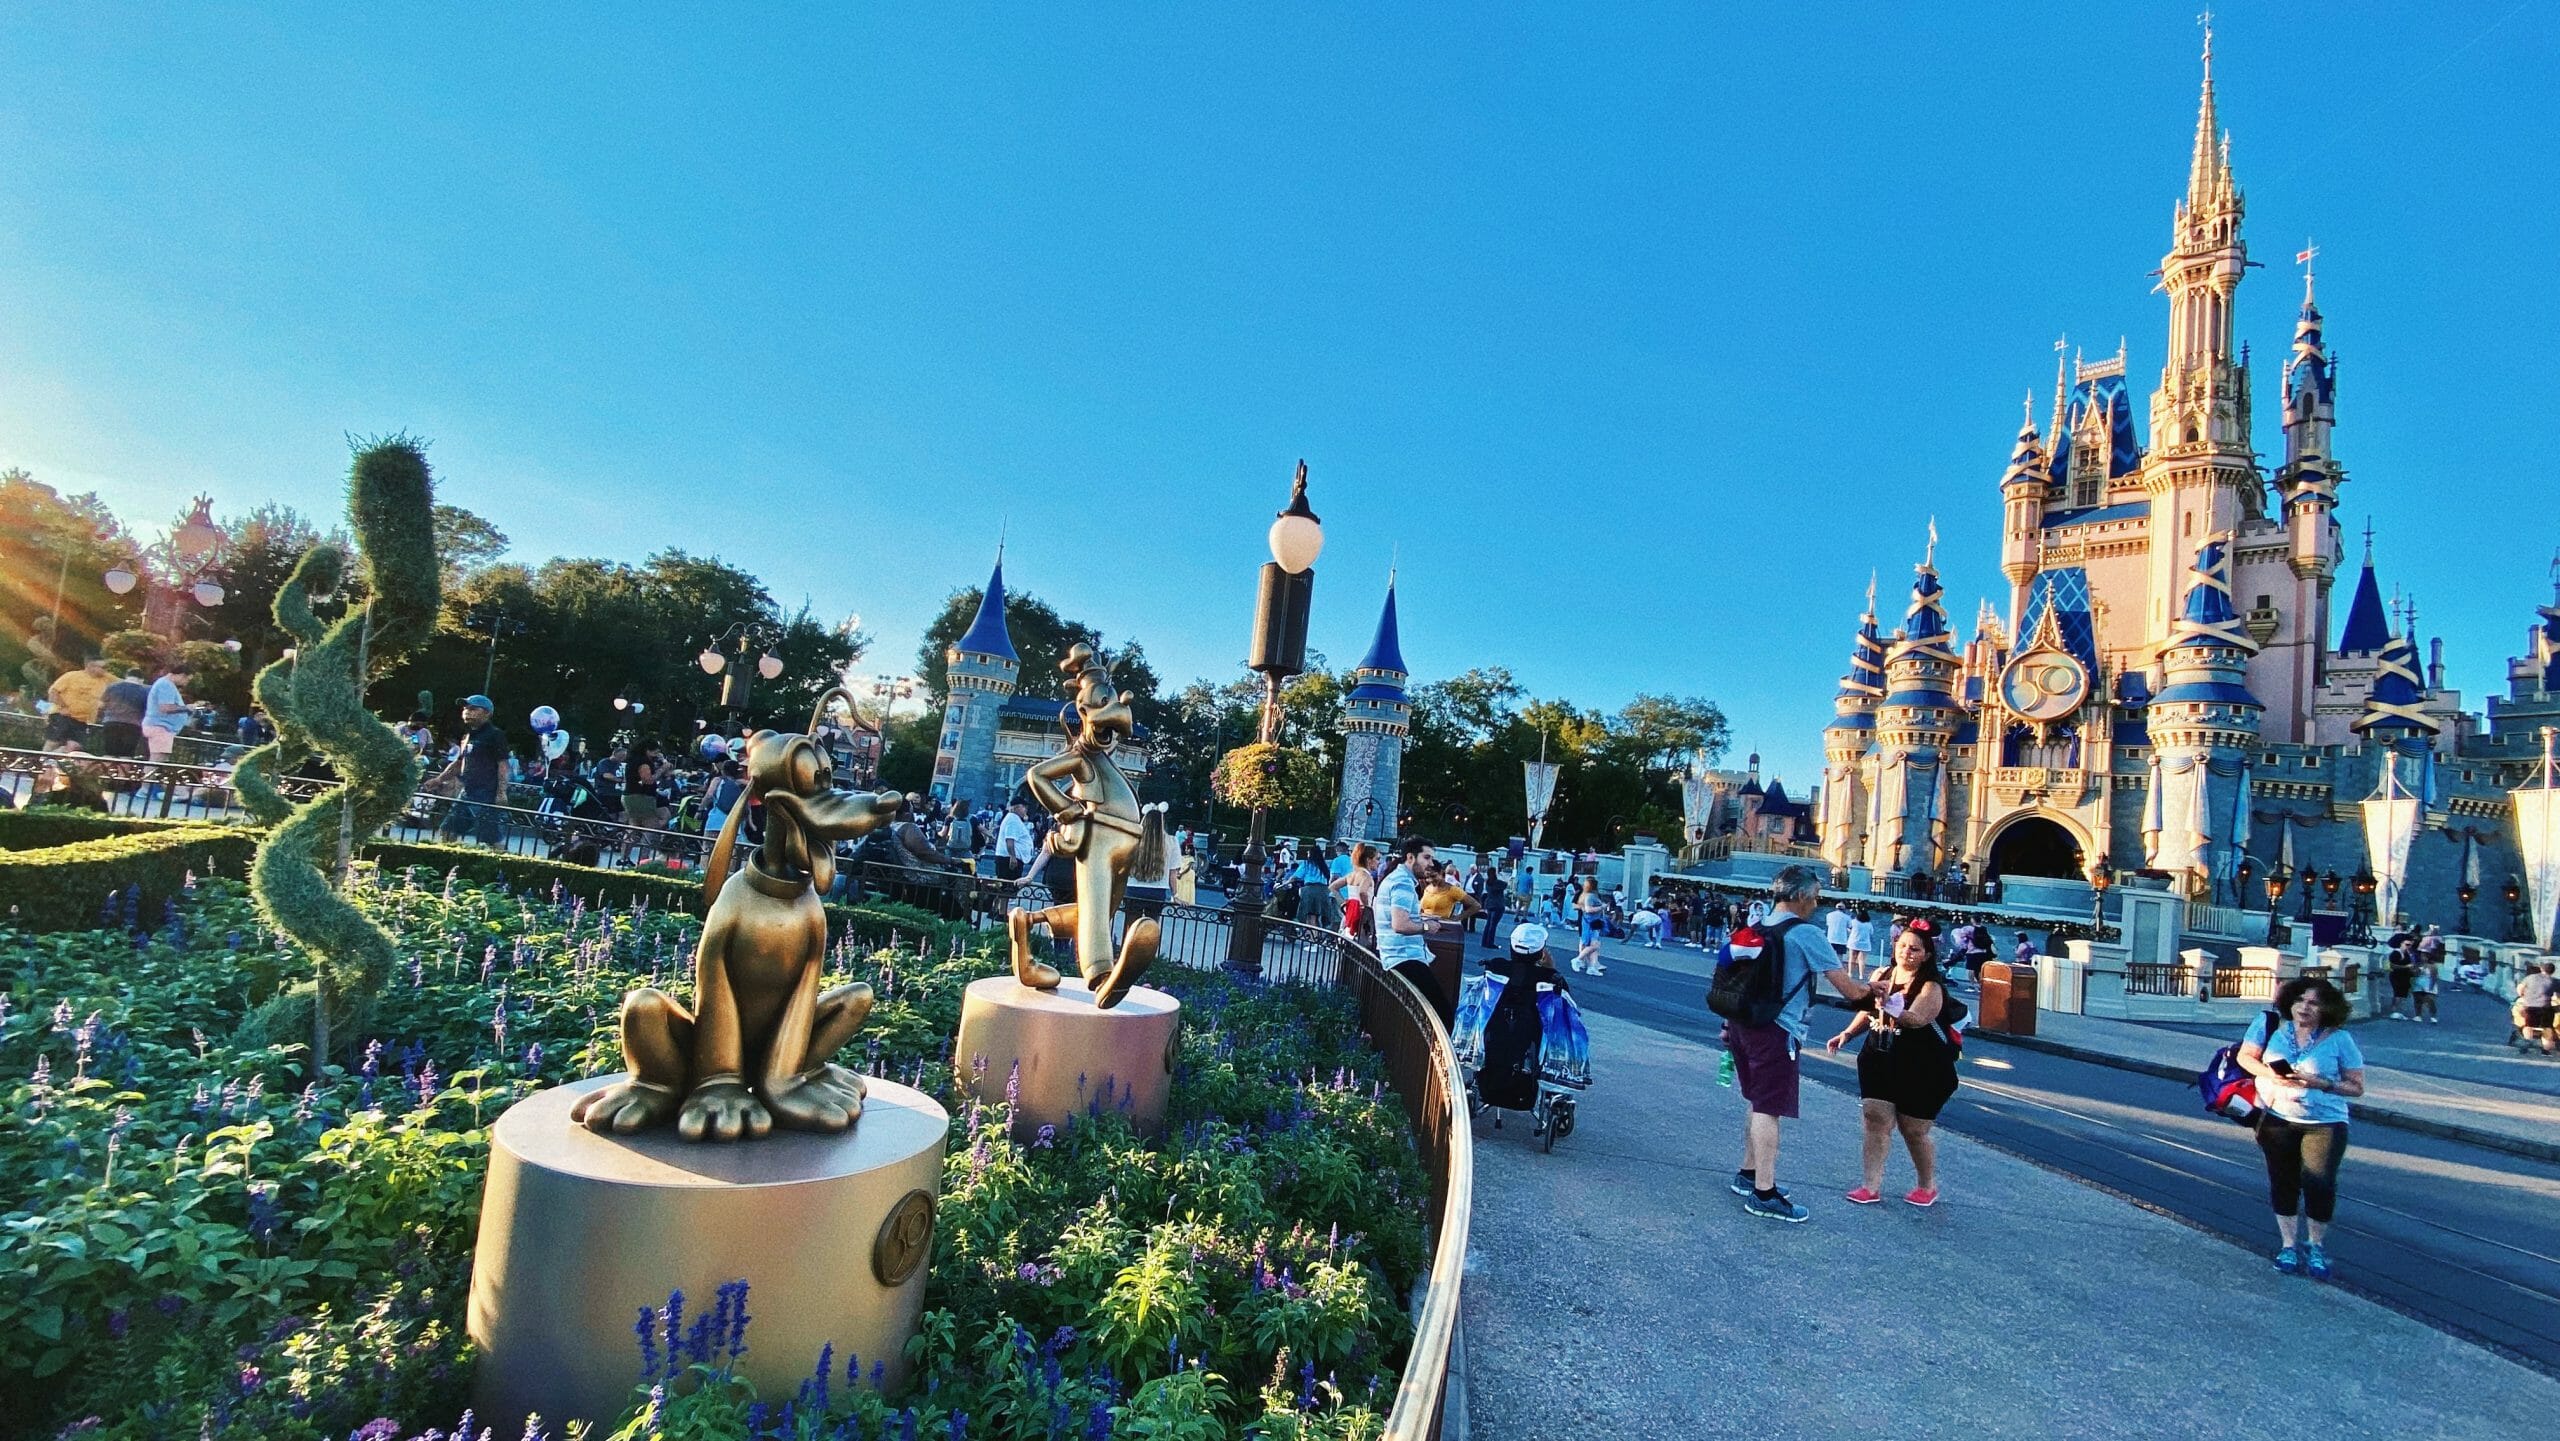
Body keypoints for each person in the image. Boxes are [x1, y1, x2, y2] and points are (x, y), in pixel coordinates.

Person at [1724, 865, 1875, 1224]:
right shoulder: (1805, 934)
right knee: (1769, 1109)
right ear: (1802, 897)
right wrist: (1874, 991)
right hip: (1777, 1028)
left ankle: (1748, 1174)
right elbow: (1849, 990)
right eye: (1816, 897)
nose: (1817, 903)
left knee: (1757, 1101)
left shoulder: (1755, 928)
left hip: (1743, 1023)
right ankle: (1764, 1192)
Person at [2236, 978, 2366, 1279]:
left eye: (2313, 1003)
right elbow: (2246, 1057)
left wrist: (2320, 1083)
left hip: (2325, 1123)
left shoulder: (2340, 1039)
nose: (2304, 1007)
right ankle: (2289, 1246)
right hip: (2277, 1118)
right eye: (2300, 1000)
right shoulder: (2273, 1028)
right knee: (2284, 1182)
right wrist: (2271, 1074)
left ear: (2326, 1009)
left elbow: (2357, 1087)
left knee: (2319, 1183)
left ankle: (2316, 1246)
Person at [1828, 918, 1959, 1207]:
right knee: (1875, 1119)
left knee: (1913, 1129)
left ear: (1926, 955)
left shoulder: (1931, 987)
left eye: (1914, 949)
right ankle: (1870, 1186)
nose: (1907, 952)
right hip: (1879, 1057)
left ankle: (1927, 1186)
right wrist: (1848, 1033)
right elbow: (1869, 1012)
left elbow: (1916, 1019)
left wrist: (1887, 1003)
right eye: (1902, 946)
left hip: (1923, 1067)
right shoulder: (1883, 973)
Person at [1376, 836, 1455, 1025]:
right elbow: (1400, 925)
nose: (1430, 864)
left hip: (1401, 956)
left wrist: (1423, 919)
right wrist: (1427, 927)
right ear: (1410, 858)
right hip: (1403, 958)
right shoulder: (1402, 882)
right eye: (1426, 858)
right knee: (1443, 1018)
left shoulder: (1400, 879)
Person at [428, 695, 509, 847]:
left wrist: (501, 792)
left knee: (492, 839)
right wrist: (439, 779)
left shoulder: (495, 735)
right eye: (465, 709)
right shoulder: (468, 735)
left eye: (473, 709)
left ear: (487, 713)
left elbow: (503, 765)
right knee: (447, 831)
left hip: (486, 795)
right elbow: (459, 763)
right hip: (467, 793)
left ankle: (503, 867)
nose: (467, 712)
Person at [43, 657, 110, 751]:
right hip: (62, 715)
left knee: (74, 747)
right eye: (103, 667)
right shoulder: (72, 676)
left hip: (82, 721)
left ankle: (54, 760)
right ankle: (43, 760)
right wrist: (63, 707)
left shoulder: (104, 681)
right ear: (91, 666)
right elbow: (53, 692)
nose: (106, 670)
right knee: (53, 742)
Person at [93, 668, 148, 759]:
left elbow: (101, 705)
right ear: (141, 679)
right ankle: (122, 773)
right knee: (126, 755)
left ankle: (107, 771)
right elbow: (146, 710)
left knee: (109, 752)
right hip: (132, 725)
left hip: (111, 722)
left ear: (127, 676)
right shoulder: (144, 691)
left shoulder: (112, 687)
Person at [2517, 963, 2558, 1057]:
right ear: (2553, 971)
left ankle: (2527, 1042)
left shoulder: (2530, 978)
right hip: (2545, 1007)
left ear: (2541, 969)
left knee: (2528, 1026)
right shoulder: (2555, 981)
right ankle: (2545, 1050)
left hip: (2530, 1006)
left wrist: (2523, 996)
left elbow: (2520, 988)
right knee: (2547, 1028)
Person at [1468, 860, 1510, 953]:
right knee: (1493, 925)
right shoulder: (1498, 882)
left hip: (1490, 904)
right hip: (1498, 904)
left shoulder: (1487, 882)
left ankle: (1484, 941)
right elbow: (1506, 884)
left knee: (1488, 924)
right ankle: (1490, 942)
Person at [1573, 877, 1608, 976]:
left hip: (1592, 922)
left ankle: (1592, 966)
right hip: (1590, 922)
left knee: (1593, 944)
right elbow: (1588, 909)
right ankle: (1579, 959)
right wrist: (1602, 907)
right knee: (1593, 945)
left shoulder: (1587, 895)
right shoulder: (1590, 896)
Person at [994, 800, 1036, 881]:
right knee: (1009, 886)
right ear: (1015, 808)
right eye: (1023, 807)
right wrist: (1012, 857)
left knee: (1008, 885)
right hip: (1008, 859)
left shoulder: (1014, 819)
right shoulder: (1012, 819)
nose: (1025, 809)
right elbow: (1010, 840)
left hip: (1009, 858)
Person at [2385, 932, 2417, 1020]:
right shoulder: (2396, 953)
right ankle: (2393, 1011)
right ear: (2401, 943)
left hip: (2404, 976)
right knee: (2398, 993)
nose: (2409, 947)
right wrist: (2405, 967)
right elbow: (2392, 965)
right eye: (2407, 944)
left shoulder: (2406, 953)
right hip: (2397, 976)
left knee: (2402, 994)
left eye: (2410, 945)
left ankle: (2397, 1012)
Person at [2410, 941, 2441, 1024]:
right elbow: (2413, 974)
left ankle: (2433, 1016)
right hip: (2418, 984)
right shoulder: (2418, 964)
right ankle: (2418, 1015)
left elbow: (2434, 977)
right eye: (2422, 955)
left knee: (2430, 1001)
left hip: (2429, 985)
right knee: (2417, 1000)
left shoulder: (2433, 966)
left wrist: (2431, 987)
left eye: (2425, 956)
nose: (2423, 957)